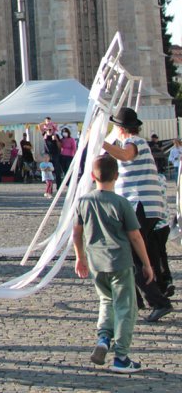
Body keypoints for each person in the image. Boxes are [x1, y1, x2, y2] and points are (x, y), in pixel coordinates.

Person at [72, 155, 156, 373]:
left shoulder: (84, 201)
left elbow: (76, 233)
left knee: (106, 301)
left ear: (92, 176)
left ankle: (103, 338)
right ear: (117, 176)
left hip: (96, 263)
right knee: (126, 308)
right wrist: (147, 264)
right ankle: (121, 356)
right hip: (119, 261)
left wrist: (79, 257)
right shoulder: (121, 203)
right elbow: (135, 236)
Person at [101, 106, 173, 313]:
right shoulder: (134, 143)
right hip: (145, 205)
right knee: (143, 254)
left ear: (121, 128)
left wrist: (101, 143)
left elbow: (125, 156)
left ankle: (157, 302)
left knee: (131, 254)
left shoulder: (135, 143)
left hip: (141, 204)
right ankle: (141, 299)